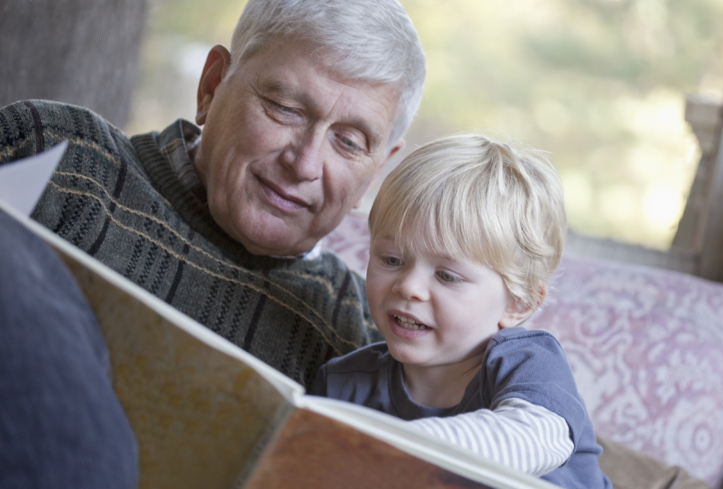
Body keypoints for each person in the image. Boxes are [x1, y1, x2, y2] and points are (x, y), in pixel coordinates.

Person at [0, 0, 424, 486]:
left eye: (349, 142)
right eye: (285, 109)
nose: (305, 164)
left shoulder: (370, 332)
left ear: (381, 169)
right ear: (211, 86)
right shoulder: (56, 154)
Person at [310, 134, 612, 488]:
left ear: (519, 303)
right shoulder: (342, 384)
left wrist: (388, 447)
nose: (408, 287)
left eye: (447, 276)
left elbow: (531, 439)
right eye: (392, 259)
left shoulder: (526, 363)